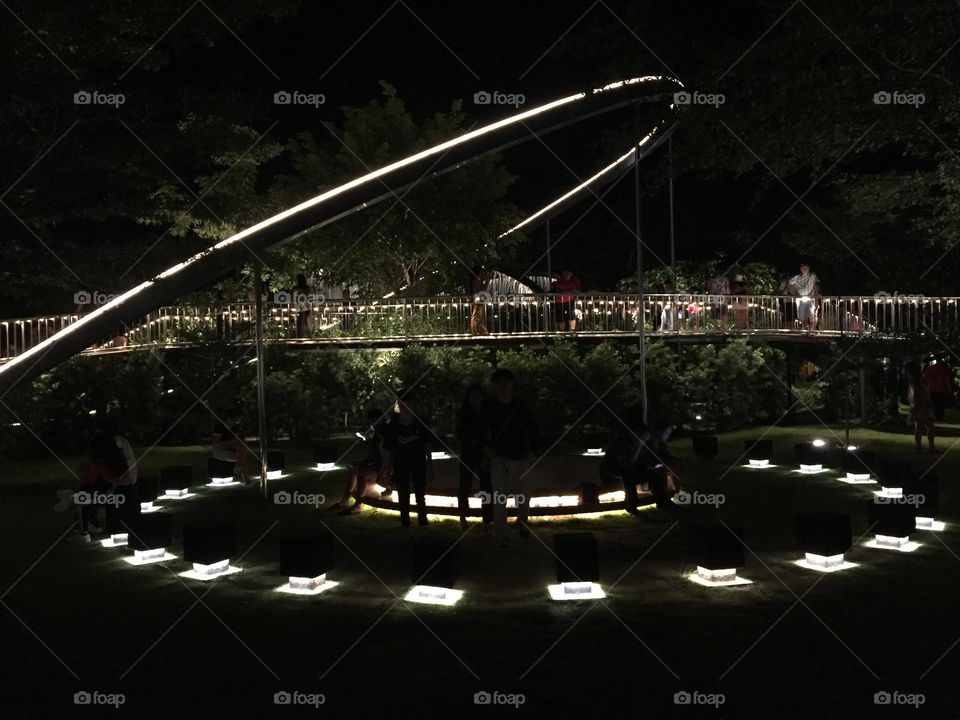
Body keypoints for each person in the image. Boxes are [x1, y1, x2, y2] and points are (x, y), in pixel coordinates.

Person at [484, 368, 539, 548]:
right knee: (500, 499)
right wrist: (487, 449)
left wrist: (533, 451)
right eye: (499, 383)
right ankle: (503, 535)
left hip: (520, 456)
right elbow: (482, 431)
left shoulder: (520, 406)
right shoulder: (490, 407)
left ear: (511, 384)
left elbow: (532, 429)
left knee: (523, 497)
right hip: (499, 457)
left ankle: (522, 521)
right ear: (495, 385)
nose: (502, 386)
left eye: (505, 382)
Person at [599, 406, 681, 515]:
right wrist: (639, 444)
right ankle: (632, 506)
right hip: (611, 473)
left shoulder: (648, 441)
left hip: (631, 470)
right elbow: (627, 464)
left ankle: (663, 503)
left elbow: (647, 459)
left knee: (654, 473)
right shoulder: (621, 442)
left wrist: (654, 463)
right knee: (628, 475)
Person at [380, 390, 435, 527]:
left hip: (418, 463)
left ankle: (422, 522)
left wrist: (431, 464)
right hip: (400, 463)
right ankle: (406, 524)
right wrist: (387, 466)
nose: (406, 407)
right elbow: (388, 446)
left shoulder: (420, 423)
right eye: (403, 404)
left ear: (413, 404)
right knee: (403, 495)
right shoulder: (393, 424)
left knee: (420, 495)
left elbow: (427, 444)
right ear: (399, 404)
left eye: (409, 403)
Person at [73, 432, 128, 541]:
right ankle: (91, 525)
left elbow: (92, 480)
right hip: (116, 489)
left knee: (80, 500)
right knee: (83, 496)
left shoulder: (98, 462)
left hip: (106, 491)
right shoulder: (116, 456)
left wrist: (85, 473)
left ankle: (84, 533)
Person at [455, 384, 493, 531]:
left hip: (483, 453)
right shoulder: (464, 414)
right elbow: (459, 434)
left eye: (478, 395)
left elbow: (490, 434)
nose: (476, 399)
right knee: (465, 485)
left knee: (487, 487)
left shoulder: (487, 413)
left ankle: (487, 520)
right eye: (473, 396)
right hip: (468, 453)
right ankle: (464, 516)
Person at [337, 408, 387, 515]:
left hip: (386, 469)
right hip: (378, 466)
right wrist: (361, 461)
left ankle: (358, 504)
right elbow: (373, 456)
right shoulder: (377, 434)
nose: (373, 424)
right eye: (372, 422)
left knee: (362, 473)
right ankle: (344, 500)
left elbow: (386, 456)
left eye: (375, 420)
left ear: (382, 419)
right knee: (354, 470)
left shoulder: (385, 433)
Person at [907, 363, 939, 454]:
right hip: (921, 407)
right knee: (928, 426)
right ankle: (928, 448)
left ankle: (920, 448)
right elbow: (917, 394)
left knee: (921, 427)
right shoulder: (916, 382)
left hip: (920, 406)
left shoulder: (914, 382)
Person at [211, 419, 249, 484]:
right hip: (221, 451)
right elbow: (216, 444)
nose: (237, 422)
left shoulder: (235, 428)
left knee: (241, 453)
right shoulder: (220, 428)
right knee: (241, 455)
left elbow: (239, 441)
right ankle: (245, 477)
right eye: (235, 420)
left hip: (232, 450)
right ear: (228, 419)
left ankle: (240, 470)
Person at [788, 263, 820, 331]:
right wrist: (794, 293)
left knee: (812, 316)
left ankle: (811, 330)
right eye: (803, 268)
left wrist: (816, 300)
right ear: (801, 269)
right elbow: (790, 284)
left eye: (806, 268)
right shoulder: (797, 277)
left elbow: (815, 286)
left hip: (811, 299)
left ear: (809, 269)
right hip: (800, 299)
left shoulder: (812, 276)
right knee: (802, 317)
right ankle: (805, 330)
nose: (805, 269)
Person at [924, 356, 952, 422]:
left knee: (933, 403)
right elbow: (947, 379)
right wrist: (949, 389)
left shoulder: (930, 367)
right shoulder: (945, 368)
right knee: (940, 404)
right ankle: (940, 417)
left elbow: (926, 378)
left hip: (932, 388)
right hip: (942, 388)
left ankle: (934, 417)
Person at [470, 267, 489, 335]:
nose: (484, 276)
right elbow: (484, 290)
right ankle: (475, 330)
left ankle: (482, 330)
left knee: (480, 316)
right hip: (478, 300)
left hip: (480, 300)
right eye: (483, 274)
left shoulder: (478, 281)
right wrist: (487, 280)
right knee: (476, 316)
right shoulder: (477, 281)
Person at [294, 273, 311, 338]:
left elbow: (297, 297)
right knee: (302, 322)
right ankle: (305, 336)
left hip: (302, 307)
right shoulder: (307, 288)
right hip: (306, 307)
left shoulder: (297, 288)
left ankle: (307, 337)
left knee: (302, 323)